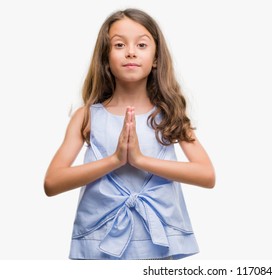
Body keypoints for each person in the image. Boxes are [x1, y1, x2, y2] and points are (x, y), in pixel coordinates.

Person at [44, 8, 215, 260]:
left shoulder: (170, 114)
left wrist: (140, 160)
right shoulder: (87, 116)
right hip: (101, 239)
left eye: (142, 44)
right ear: (106, 58)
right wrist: (114, 160)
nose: (131, 51)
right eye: (120, 44)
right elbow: (52, 182)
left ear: (156, 57)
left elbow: (207, 175)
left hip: (159, 241)